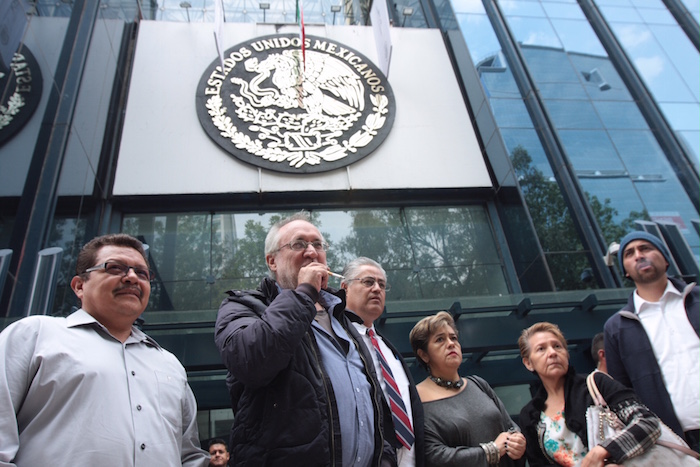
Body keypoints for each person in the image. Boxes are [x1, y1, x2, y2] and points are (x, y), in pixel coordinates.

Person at [0, 233, 209, 466]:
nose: (131, 277)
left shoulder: (170, 364)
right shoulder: (35, 335)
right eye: (115, 268)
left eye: (141, 273)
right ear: (80, 286)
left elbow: (189, 455)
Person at [214, 212, 395, 467]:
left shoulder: (343, 317)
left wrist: (383, 457)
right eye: (299, 244)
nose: (311, 252)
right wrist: (305, 293)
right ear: (272, 261)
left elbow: (371, 400)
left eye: (318, 245)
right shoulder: (243, 306)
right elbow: (251, 362)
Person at [604, 231, 699, 450]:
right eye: (629, 253)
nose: (638, 255)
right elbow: (623, 394)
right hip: (678, 447)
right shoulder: (616, 328)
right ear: (625, 271)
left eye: (645, 248)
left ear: (665, 259)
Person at [518, 321, 661, 467]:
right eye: (541, 349)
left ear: (566, 354)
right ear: (528, 363)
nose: (552, 353)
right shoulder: (530, 415)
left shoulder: (596, 384)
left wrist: (604, 451)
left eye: (557, 346)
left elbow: (647, 422)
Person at [409, 311, 526, 467]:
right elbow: (434, 456)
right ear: (424, 355)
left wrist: (517, 441)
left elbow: (510, 426)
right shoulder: (417, 399)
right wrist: (491, 451)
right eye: (440, 339)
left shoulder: (478, 383)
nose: (451, 343)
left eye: (453, 338)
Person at [341, 257, 425, 467]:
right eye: (368, 282)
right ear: (345, 288)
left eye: (382, 285)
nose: (377, 289)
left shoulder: (389, 349)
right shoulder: (335, 340)